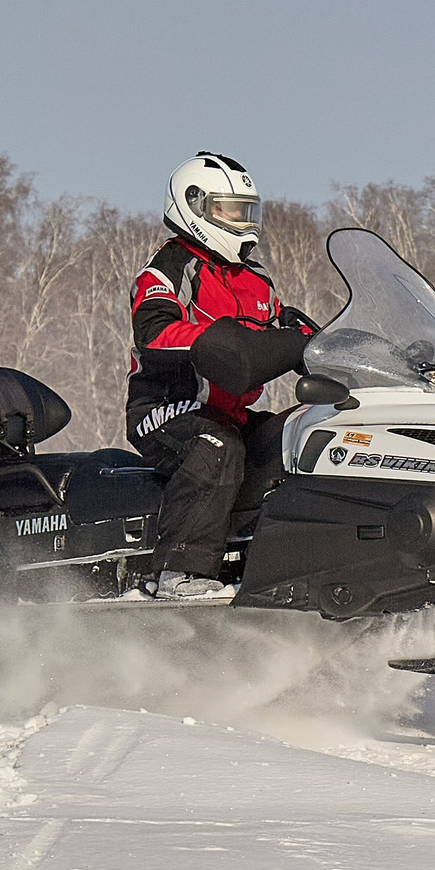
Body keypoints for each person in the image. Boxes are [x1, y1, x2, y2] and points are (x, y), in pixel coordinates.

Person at [126, 152, 315, 600]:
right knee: (217, 448)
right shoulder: (169, 269)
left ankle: (283, 563)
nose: (242, 222)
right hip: (169, 409)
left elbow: (280, 325)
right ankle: (177, 572)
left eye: (247, 211)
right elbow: (154, 328)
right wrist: (214, 342)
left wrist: (320, 343)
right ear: (194, 206)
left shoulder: (255, 279)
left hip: (232, 414)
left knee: (301, 433)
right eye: (229, 210)